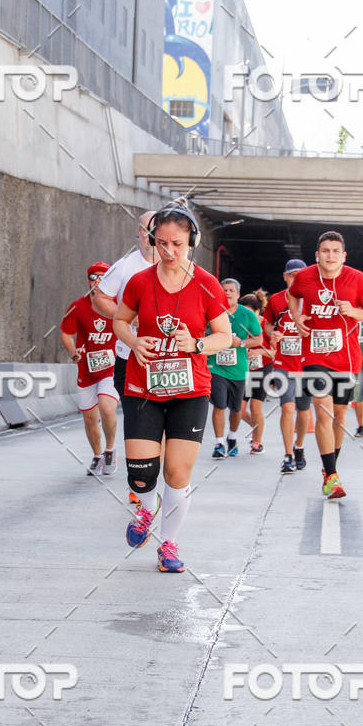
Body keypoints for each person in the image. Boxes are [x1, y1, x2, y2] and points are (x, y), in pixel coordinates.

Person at [113, 205, 231, 572]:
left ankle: (169, 545)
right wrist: (133, 342)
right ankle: (147, 510)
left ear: (191, 242)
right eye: (161, 243)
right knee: (141, 475)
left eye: (177, 244)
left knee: (177, 473)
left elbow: (224, 337)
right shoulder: (138, 282)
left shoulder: (206, 284)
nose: (168, 251)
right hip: (143, 386)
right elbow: (120, 320)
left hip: (190, 390)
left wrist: (195, 345)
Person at [288, 231, 363, 499]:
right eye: (325, 251)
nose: (330, 255)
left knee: (340, 416)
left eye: (335, 251)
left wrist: (355, 312)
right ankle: (331, 476)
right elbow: (293, 295)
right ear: (317, 255)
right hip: (315, 357)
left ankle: (331, 469)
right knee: (324, 412)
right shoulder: (305, 276)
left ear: (343, 256)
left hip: (347, 358)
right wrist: (296, 316)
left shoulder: (357, 279)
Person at [92, 211, 158, 502]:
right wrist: (126, 319)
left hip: (168, 361)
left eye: (153, 230)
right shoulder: (126, 265)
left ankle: (160, 479)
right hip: (128, 357)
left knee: (163, 424)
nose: (148, 236)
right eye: (143, 231)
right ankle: (139, 484)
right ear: (138, 233)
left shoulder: (179, 266)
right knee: (137, 420)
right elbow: (100, 298)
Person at [60, 263, 119, 476]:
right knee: (89, 418)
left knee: (106, 407)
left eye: (103, 277)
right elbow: (66, 333)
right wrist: (73, 352)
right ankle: (97, 455)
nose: (98, 281)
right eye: (94, 277)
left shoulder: (118, 305)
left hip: (112, 369)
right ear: (88, 280)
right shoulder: (78, 306)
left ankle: (110, 450)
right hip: (86, 370)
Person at [264, 259, 311, 473]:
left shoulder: (312, 301)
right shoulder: (275, 300)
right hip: (284, 362)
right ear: (285, 277)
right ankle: (288, 455)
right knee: (287, 407)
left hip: (307, 364)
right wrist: (272, 334)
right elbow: (268, 323)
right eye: (291, 275)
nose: (295, 278)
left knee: (303, 411)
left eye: (299, 274)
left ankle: (299, 446)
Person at [208, 278, 261, 458]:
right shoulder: (212, 311)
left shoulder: (247, 315)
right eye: (224, 290)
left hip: (238, 369)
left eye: (231, 290)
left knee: (236, 409)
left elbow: (258, 339)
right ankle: (219, 442)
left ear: (238, 295)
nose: (228, 293)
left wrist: (242, 342)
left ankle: (232, 437)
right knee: (219, 405)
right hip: (216, 367)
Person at [239, 290, 275, 454]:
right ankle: (256, 427)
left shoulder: (265, 325)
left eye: (249, 311)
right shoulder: (239, 324)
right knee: (238, 409)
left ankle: (257, 442)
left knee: (255, 406)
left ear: (257, 311)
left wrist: (258, 352)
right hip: (245, 369)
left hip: (263, 368)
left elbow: (275, 353)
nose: (245, 315)